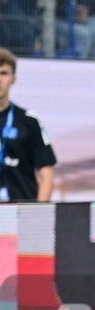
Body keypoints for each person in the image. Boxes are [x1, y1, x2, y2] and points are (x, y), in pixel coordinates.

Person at [0, 49, 56, 203]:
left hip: (22, 211)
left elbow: (46, 172)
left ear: (13, 79)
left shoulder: (29, 121)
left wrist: (39, 213)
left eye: (4, 73)